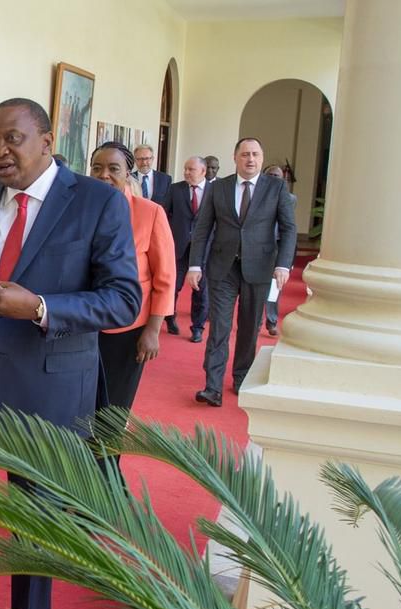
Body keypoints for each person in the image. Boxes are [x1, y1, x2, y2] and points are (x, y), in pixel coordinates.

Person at [0, 98, 141, 609]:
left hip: (50, 389)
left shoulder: (96, 202)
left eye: (11, 140)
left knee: (36, 522)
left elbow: (123, 299)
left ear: (47, 142)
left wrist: (42, 307)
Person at [189, 137, 296, 406]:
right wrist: (194, 265)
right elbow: (202, 228)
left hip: (259, 267)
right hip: (223, 267)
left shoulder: (276, 188)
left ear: (261, 158)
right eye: (245, 154)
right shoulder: (219, 188)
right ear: (235, 158)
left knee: (249, 327)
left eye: (256, 154)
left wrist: (283, 264)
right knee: (219, 328)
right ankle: (212, 386)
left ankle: (241, 378)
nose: (251, 159)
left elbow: (288, 228)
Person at [90, 142, 175, 410]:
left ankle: (107, 455)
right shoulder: (81, 212)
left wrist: (153, 330)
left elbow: (165, 277)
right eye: (97, 168)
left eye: (114, 168)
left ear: (128, 174)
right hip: (83, 325)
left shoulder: (150, 213)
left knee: (113, 409)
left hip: (128, 329)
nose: (104, 175)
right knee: (80, 408)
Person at [162, 156, 211, 342]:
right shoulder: (176, 189)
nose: (187, 173)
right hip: (179, 246)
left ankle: (197, 327)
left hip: (204, 249)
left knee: (201, 290)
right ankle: (170, 317)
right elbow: (164, 213)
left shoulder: (214, 191)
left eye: (191, 169)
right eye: (185, 169)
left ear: (203, 171)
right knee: (173, 286)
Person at [263, 164, 298, 335]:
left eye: (277, 176)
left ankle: (271, 321)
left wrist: (288, 259)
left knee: (274, 287)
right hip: (257, 246)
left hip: (277, 246)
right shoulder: (255, 195)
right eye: (270, 175)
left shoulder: (290, 199)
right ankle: (254, 322)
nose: (274, 178)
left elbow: (289, 228)